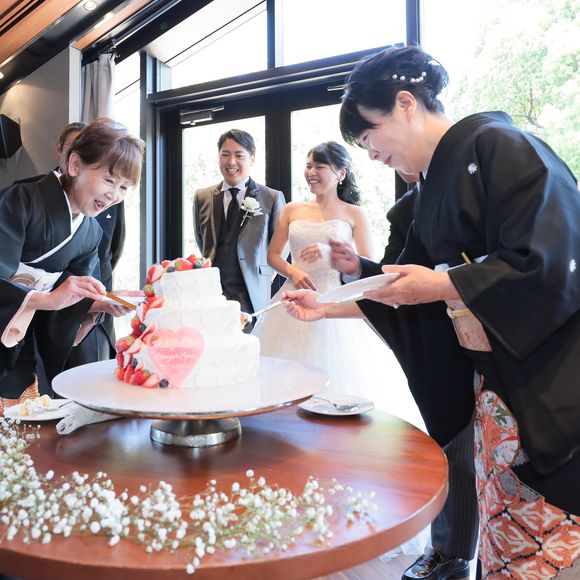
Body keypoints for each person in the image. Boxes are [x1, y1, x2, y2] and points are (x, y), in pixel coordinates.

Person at [283, 45, 580, 579]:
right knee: (501, 535)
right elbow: (403, 287)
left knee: (547, 542)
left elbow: (552, 262)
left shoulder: (502, 147)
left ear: (405, 104)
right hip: (492, 391)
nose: (372, 155)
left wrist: (443, 283)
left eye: (370, 136)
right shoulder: (426, 193)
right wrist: (328, 301)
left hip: (544, 384)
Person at [253, 141, 420, 425]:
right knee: (278, 381)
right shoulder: (292, 209)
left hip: (336, 300)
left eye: (319, 166)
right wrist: (293, 271)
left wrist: (334, 257)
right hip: (293, 298)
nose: (311, 172)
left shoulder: (355, 214)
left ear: (341, 173)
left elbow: (368, 264)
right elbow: (272, 256)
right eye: (308, 166)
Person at [0, 119, 144, 409]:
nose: (114, 195)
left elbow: (69, 296)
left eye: (124, 187)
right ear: (75, 165)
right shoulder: (22, 200)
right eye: (109, 180)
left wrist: (100, 304)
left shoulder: (90, 233)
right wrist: (46, 299)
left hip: (21, 341)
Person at [193, 129, 286, 321]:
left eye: (239, 155)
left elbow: (281, 247)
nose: (231, 162)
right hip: (212, 291)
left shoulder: (271, 197)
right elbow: (201, 239)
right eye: (225, 155)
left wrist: (264, 275)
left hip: (252, 292)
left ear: (252, 159)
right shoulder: (202, 197)